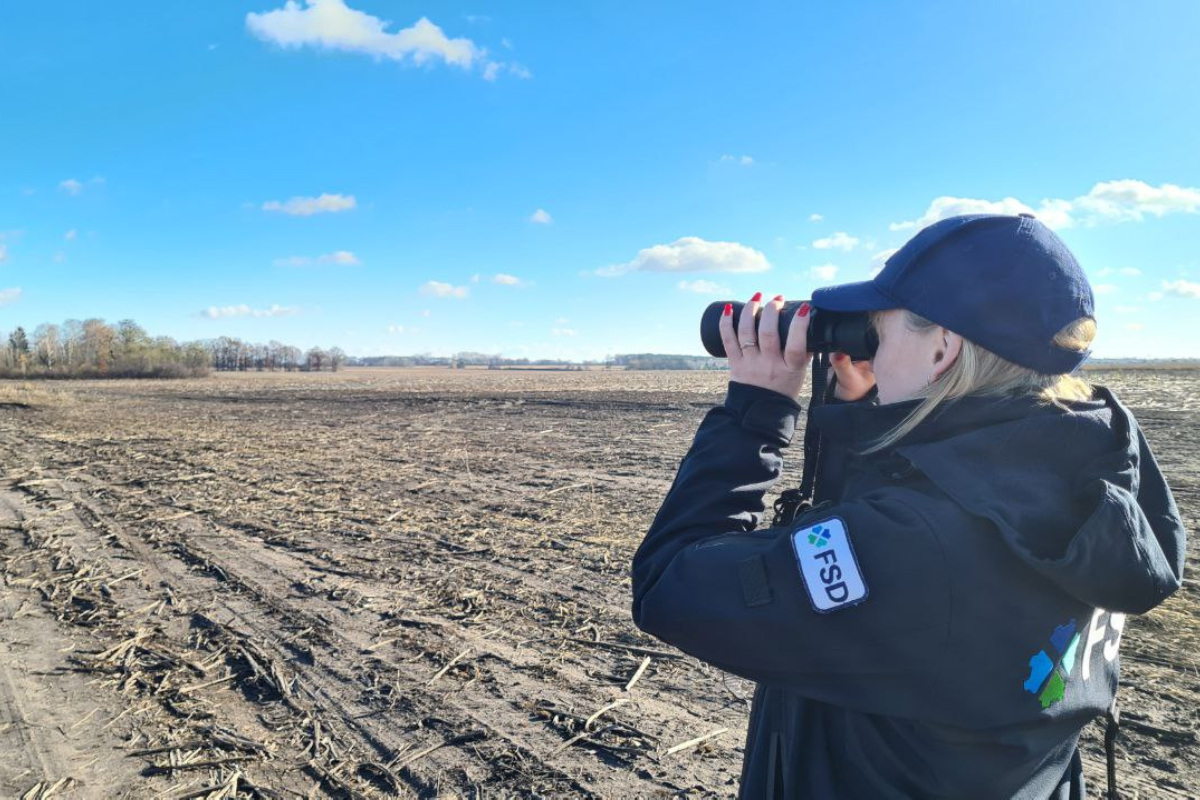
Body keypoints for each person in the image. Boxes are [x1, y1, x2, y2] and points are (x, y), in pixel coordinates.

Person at [630, 213, 1186, 799]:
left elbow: (670, 584)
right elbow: (908, 531)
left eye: (881, 327)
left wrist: (755, 412)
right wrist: (866, 410)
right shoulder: (1082, 484)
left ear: (943, 347)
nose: (871, 342)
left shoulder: (919, 544)